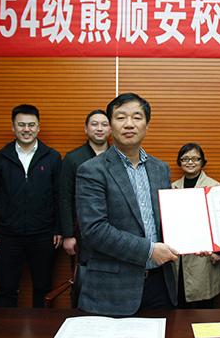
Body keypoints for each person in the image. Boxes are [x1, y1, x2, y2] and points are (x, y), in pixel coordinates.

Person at [75, 93, 178, 316]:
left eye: (137, 117)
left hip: (160, 284)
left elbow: (169, 221)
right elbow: (94, 230)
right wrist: (149, 250)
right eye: (121, 117)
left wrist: (199, 243)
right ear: (111, 126)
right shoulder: (91, 170)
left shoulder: (160, 168)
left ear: (147, 125)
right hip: (114, 290)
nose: (129, 124)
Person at [0, 104, 62, 308]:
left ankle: (43, 326)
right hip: (7, 235)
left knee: (43, 287)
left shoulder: (52, 157)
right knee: (6, 288)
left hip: (43, 234)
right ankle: (5, 326)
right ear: (13, 127)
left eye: (31, 125)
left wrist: (58, 229)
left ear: (38, 127)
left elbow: (59, 196)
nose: (27, 129)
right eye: (22, 125)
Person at [58, 109, 110, 306]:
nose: (99, 128)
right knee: (85, 276)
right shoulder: (73, 158)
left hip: (114, 229)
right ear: (86, 129)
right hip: (82, 231)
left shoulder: (119, 156)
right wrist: (68, 235)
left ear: (111, 129)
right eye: (94, 124)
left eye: (104, 124)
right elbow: (64, 197)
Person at [171, 143, 220, 309]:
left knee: (203, 306)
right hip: (179, 255)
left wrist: (219, 251)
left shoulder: (214, 186)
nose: (190, 162)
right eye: (185, 159)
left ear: (202, 162)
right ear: (180, 162)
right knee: (180, 300)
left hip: (205, 255)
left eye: (195, 159)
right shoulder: (172, 187)